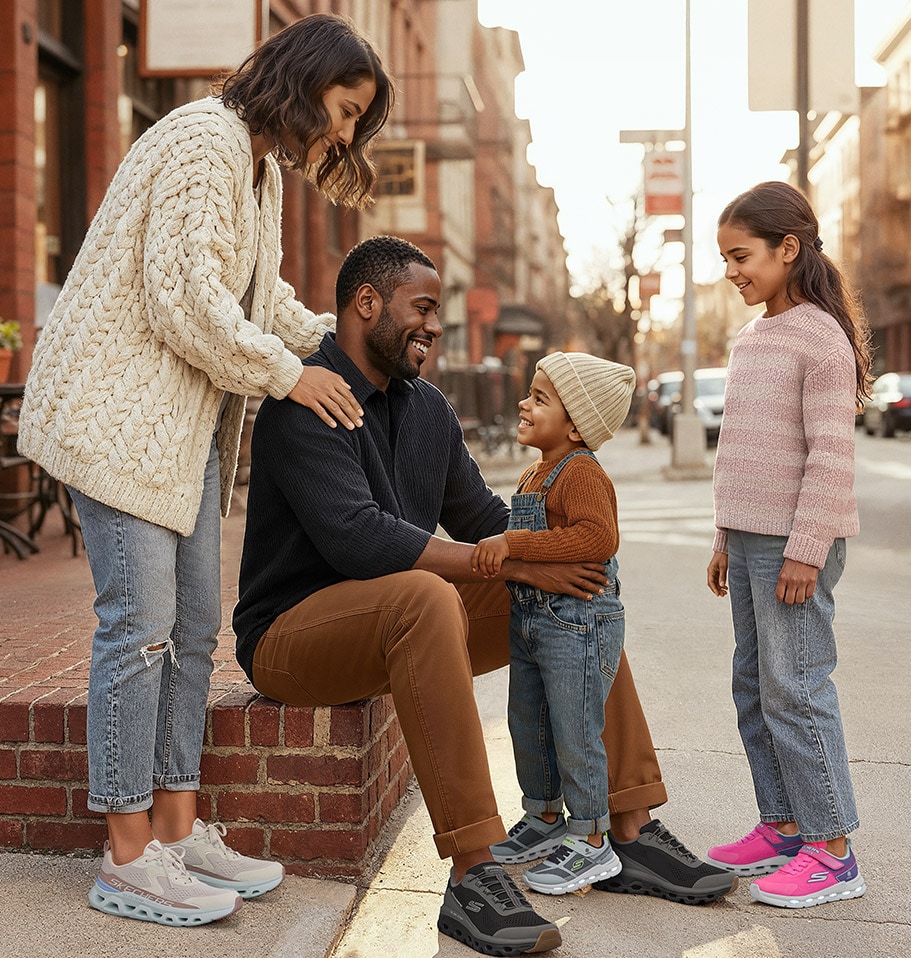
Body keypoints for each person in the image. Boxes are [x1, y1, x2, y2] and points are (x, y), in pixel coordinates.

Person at [233, 236, 735, 956]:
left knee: (580, 596)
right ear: (365, 304)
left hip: (397, 621)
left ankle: (625, 829)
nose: (435, 326)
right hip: (291, 638)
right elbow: (357, 539)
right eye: (423, 308)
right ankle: (473, 874)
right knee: (428, 594)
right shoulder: (304, 401)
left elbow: (488, 522)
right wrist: (507, 565)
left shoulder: (428, 410)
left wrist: (552, 554)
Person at [17, 13, 393, 927]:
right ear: (304, 80)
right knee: (139, 630)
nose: (342, 135)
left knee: (190, 631)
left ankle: (177, 829)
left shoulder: (257, 166)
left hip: (177, 437)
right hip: (116, 424)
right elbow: (184, 297)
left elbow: (256, 300)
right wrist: (286, 376)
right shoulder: (201, 138)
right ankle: (127, 852)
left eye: (355, 122)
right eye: (343, 111)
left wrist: (341, 344)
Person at [706, 181, 871, 909]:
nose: (731, 271)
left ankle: (831, 849)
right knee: (754, 687)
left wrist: (805, 547)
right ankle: (781, 824)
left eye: (740, 256)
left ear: (787, 249)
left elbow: (830, 455)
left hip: (790, 544)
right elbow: (742, 450)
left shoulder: (819, 339)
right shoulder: (751, 337)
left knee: (796, 690)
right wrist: (722, 536)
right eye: (724, 259)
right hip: (747, 539)